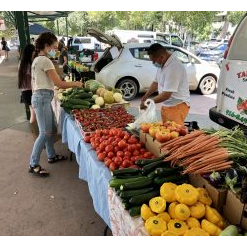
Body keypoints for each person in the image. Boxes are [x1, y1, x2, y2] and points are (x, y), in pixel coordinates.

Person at [29, 32, 83, 177]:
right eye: (54, 47)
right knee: (45, 133)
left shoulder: (37, 59)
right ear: (46, 46)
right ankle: (33, 163)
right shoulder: (44, 61)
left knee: (50, 129)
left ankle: (51, 155)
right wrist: (76, 84)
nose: (56, 49)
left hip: (41, 97)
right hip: (42, 98)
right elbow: (59, 83)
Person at [141, 43, 190, 126]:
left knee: (174, 135)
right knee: (165, 132)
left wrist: (148, 103)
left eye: (154, 61)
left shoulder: (174, 67)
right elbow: (155, 83)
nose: (153, 63)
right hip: (167, 105)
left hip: (177, 106)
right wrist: (145, 96)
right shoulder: (162, 64)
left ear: (162, 57)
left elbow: (166, 95)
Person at [18, 44, 38, 137]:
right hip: (29, 92)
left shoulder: (22, 63)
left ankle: (36, 134)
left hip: (25, 91)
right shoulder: (28, 65)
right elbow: (34, 77)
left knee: (33, 113)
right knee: (34, 114)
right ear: (30, 52)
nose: (34, 52)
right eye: (33, 51)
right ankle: (35, 135)